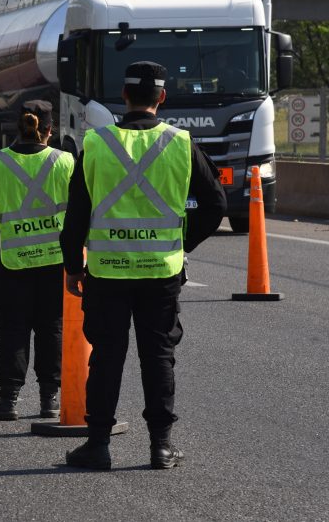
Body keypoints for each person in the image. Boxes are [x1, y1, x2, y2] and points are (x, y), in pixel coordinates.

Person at [61, 61, 225, 471]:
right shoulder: (181, 143)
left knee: (106, 356)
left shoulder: (96, 145)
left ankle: (98, 444)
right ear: (162, 97)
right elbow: (216, 204)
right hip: (161, 272)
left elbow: (75, 217)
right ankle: (161, 447)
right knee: (158, 357)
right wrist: (181, 243)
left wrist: (72, 267)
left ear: (125, 96)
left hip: (108, 272)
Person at [0, 100, 76, 421]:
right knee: (51, 328)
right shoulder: (66, 162)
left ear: (17, 127)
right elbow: (83, 209)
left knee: (13, 328)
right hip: (54, 262)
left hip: (12, 261)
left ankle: (8, 399)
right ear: (50, 131)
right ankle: (49, 398)